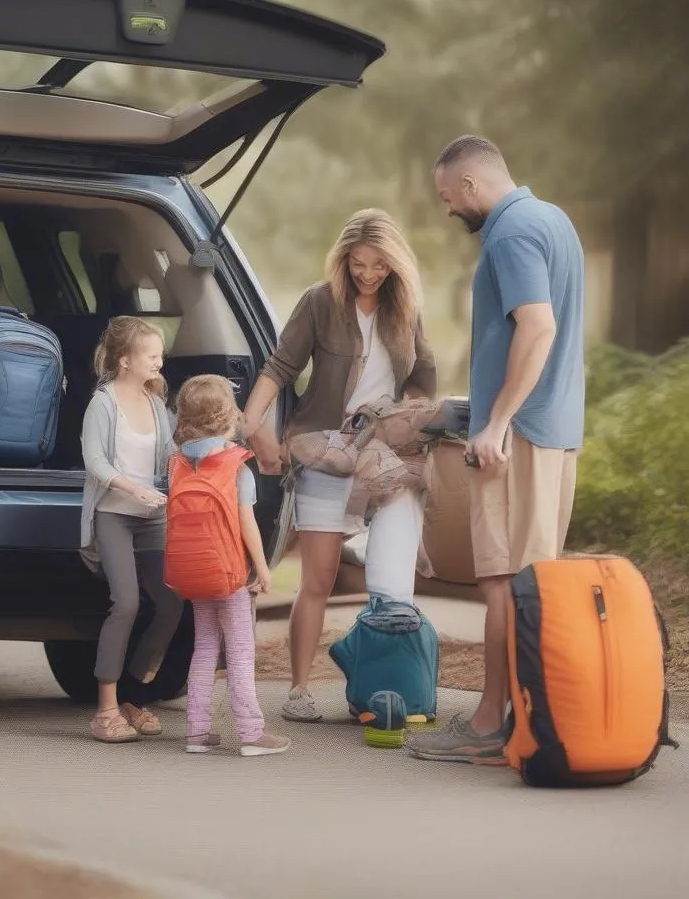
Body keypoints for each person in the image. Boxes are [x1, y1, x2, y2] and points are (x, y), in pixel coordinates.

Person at [406, 135, 585, 765]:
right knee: (530, 581)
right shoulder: (553, 220)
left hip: (521, 434)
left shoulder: (509, 234)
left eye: (448, 196)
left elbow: (539, 327)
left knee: (505, 581)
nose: (449, 208)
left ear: (472, 185)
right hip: (550, 429)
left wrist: (495, 422)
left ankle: (491, 724)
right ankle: (523, 720)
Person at [242, 209, 437, 723]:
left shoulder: (405, 309)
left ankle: (383, 685)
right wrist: (252, 423)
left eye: (378, 265)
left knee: (393, 579)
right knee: (318, 580)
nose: (368, 274)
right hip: (322, 451)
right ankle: (300, 690)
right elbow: (280, 367)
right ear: (344, 259)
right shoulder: (319, 302)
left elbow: (422, 379)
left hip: (381, 455)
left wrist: (402, 418)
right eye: (357, 264)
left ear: (394, 264)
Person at [80, 317, 186, 743]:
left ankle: (134, 696)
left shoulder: (156, 403)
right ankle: (105, 710)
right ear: (125, 360)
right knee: (125, 604)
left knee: (170, 604)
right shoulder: (102, 404)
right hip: (115, 514)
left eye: (160, 355)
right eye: (152, 356)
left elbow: (172, 456)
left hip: (153, 516)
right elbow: (95, 462)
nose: (160, 362)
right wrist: (135, 490)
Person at [172, 375, 291, 757]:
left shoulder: (177, 464)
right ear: (228, 416)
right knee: (240, 650)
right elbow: (247, 524)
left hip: (194, 570)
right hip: (230, 573)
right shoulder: (235, 466)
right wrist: (263, 568)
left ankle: (197, 732)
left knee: (204, 647)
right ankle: (252, 733)